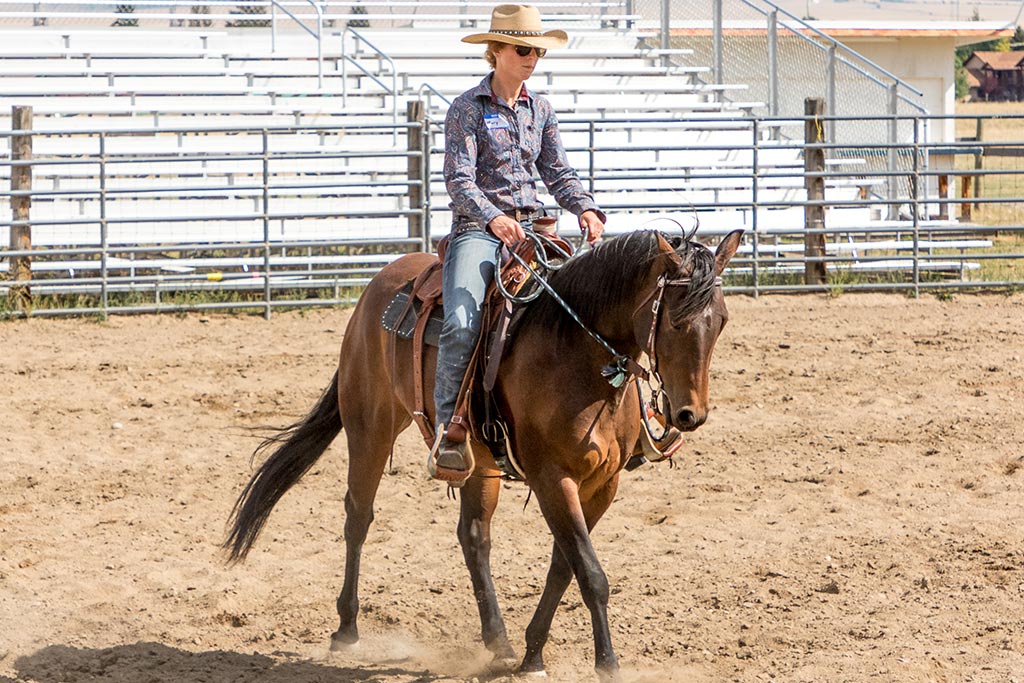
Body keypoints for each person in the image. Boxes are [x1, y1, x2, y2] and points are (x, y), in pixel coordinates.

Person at [428, 4, 606, 484]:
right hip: (477, 231)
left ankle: (621, 419)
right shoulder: (466, 109)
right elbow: (459, 181)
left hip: (537, 231)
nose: (533, 58)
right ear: (498, 52)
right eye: (525, 49)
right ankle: (450, 428)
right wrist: (494, 218)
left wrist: (585, 208)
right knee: (463, 318)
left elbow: (558, 173)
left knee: (592, 306)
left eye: (538, 50)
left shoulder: (540, 109)